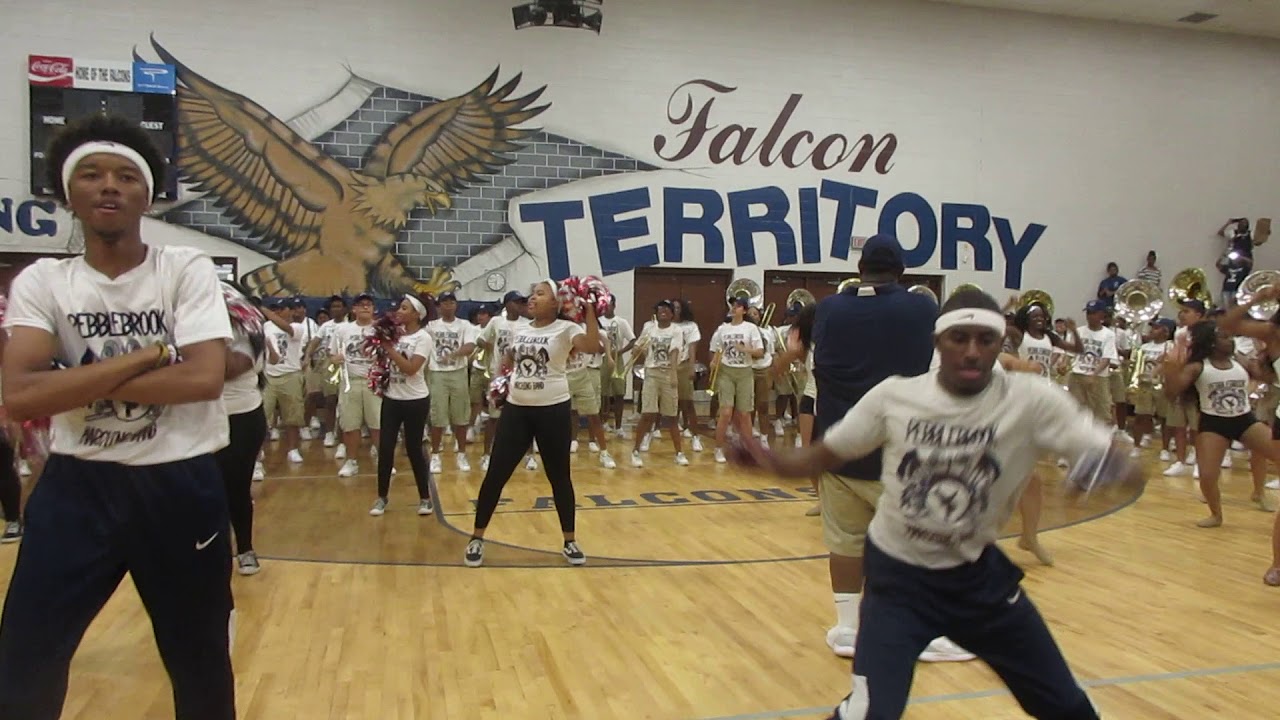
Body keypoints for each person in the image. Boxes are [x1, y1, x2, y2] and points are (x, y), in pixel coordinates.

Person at [731, 288, 1144, 720]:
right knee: (869, 714)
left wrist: (1111, 467)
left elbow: (1119, 460)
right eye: (959, 338)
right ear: (937, 342)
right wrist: (770, 460)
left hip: (976, 579)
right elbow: (824, 454)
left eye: (985, 340)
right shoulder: (896, 397)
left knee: (1067, 706)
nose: (972, 351)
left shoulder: (1032, 400)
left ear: (1001, 344)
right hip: (897, 582)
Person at [0, 114, 235, 718]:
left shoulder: (183, 268)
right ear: (66, 193)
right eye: (92, 175)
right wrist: (153, 353)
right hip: (78, 485)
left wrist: (68, 381)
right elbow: (20, 396)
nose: (109, 185)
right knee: (24, 658)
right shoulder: (43, 281)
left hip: (178, 481)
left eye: (126, 176)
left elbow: (204, 379)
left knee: (199, 661)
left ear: (146, 197)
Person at [810, 235, 971, 663]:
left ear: (859, 269)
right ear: (900, 272)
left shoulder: (828, 309)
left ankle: (848, 630)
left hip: (840, 446)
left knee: (845, 542)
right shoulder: (921, 308)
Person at [463, 280, 603, 568]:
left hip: (553, 410)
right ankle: (477, 538)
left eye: (540, 293)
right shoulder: (521, 329)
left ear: (555, 303)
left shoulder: (567, 329)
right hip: (517, 411)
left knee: (559, 477)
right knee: (496, 475)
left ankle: (569, 540)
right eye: (532, 293)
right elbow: (508, 358)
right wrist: (501, 382)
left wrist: (589, 310)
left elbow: (591, 346)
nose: (532, 298)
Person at [1163, 319, 1279, 528]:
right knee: (1207, 475)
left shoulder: (1240, 360)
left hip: (1244, 419)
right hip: (1213, 423)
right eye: (1224, 338)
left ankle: (1259, 493)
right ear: (1211, 343)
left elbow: (1267, 377)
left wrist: (1267, 353)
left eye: (1230, 337)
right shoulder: (1198, 367)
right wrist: (1170, 368)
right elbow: (1172, 392)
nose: (1231, 341)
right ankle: (1216, 514)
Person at [217, 282, 269, 576]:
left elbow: (224, 369)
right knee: (207, 490)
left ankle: (246, 549)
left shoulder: (249, 332)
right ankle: (215, 551)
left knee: (236, 487)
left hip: (242, 418)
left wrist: (210, 337)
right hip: (202, 418)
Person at [370, 294, 435, 517]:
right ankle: (381, 497)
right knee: (386, 448)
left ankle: (425, 498)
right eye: (400, 307)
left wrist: (389, 348)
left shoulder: (423, 338)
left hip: (415, 400)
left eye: (405, 308)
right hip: (392, 398)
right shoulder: (394, 334)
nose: (399, 311)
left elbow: (411, 369)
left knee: (414, 448)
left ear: (417, 314)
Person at [629, 300, 688, 467]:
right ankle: (635, 451)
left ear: (672, 314)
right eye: (660, 309)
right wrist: (637, 350)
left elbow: (675, 351)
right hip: (652, 373)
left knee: (671, 416)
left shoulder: (676, 330)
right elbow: (639, 346)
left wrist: (674, 373)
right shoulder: (649, 328)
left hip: (668, 373)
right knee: (647, 414)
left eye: (667, 309)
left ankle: (679, 453)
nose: (663, 311)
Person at [329, 293, 381, 477]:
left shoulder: (380, 329)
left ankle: (383, 460)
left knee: (378, 424)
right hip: (349, 382)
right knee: (350, 425)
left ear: (374, 309)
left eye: (369, 304)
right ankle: (351, 461)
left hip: (374, 382)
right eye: (361, 304)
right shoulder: (342, 330)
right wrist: (335, 359)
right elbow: (332, 354)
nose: (365, 307)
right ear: (354, 309)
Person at [426, 292, 478, 473]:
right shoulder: (431, 326)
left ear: (456, 305)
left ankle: (461, 454)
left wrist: (453, 354)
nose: (448, 305)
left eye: (451, 302)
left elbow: (470, 346)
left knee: (461, 417)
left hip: (458, 372)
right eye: (444, 302)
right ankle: (435, 455)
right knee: (437, 417)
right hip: (437, 373)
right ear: (439, 306)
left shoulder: (465, 325)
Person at [709, 298, 764, 463]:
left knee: (745, 414)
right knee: (726, 412)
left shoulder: (751, 328)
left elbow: (760, 352)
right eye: (733, 305)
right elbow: (717, 349)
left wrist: (745, 349)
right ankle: (718, 448)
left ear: (744, 310)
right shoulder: (722, 329)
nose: (734, 308)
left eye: (738, 306)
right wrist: (714, 361)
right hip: (726, 371)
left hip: (745, 372)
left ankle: (748, 449)